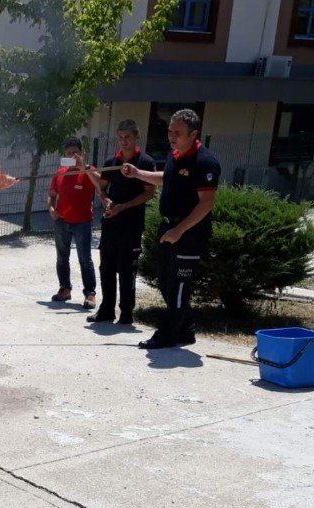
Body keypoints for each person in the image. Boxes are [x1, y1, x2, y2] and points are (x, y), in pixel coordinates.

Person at [121, 108, 220, 349]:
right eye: (169, 131)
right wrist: (137, 174)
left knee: (179, 284)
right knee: (165, 280)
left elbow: (206, 204)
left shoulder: (205, 162)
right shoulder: (174, 155)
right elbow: (166, 178)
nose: (171, 136)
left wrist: (180, 231)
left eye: (178, 132)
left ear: (194, 133)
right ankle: (185, 330)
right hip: (168, 228)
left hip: (189, 233)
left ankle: (167, 334)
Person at [85, 120, 156, 325]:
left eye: (127, 137)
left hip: (131, 225)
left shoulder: (145, 162)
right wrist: (107, 203)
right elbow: (102, 188)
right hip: (110, 224)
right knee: (106, 268)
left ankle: (126, 312)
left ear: (136, 137)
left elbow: (149, 193)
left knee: (126, 270)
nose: (123, 142)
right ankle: (106, 309)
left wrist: (124, 206)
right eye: (120, 137)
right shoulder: (111, 162)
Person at [48, 137, 102, 309]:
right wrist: (50, 208)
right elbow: (52, 194)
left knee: (85, 259)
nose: (72, 156)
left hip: (82, 222)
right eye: (69, 153)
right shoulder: (60, 172)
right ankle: (65, 289)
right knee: (62, 257)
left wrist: (84, 167)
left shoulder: (89, 171)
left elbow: (100, 183)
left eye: (75, 153)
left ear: (81, 153)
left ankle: (90, 294)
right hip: (62, 221)